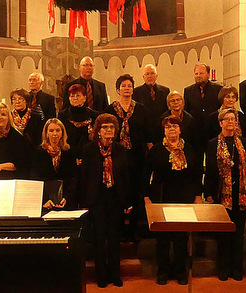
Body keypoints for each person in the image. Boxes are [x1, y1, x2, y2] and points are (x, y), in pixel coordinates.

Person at [144, 115, 203, 286]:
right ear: (164, 130)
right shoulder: (155, 150)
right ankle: (162, 271)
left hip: (184, 198)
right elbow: (145, 175)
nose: (172, 130)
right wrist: (147, 197)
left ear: (180, 129)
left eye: (175, 127)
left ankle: (180, 271)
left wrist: (198, 196)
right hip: (161, 198)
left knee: (180, 238)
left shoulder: (190, 149)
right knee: (162, 239)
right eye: (168, 127)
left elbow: (197, 175)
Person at [80, 113, 132, 288]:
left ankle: (115, 274)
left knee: (114, 237)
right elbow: (84, 176)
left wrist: (127, 201)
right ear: (98, 131)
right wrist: (85, 201)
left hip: (115, 197)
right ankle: (101, 275)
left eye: (111, 127)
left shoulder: (120, 149)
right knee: (99, 237)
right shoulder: (89, 149)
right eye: (105, 127)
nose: (108, 130)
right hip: (97, 198)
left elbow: (125, 176)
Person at [205, 108, 246, 281]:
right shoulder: (212, 144)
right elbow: (210, 170)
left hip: (241, 194)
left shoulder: (245, 143)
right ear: (221, 123)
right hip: (221, 195)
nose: (231, 122)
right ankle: (223, 269)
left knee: (238, 234)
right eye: (227, 119)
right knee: (224, 234)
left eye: (233, 119)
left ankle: (237, 269)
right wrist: (209, 193)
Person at [105, 74, 150, 242]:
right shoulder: (110, 110)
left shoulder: (141, 109)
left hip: (137, 157)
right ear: (117, 89)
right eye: (123, 86)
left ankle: (134, 229)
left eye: (129, 86)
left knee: (135, 191)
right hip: (116, 156)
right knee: (119, 191)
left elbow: (147, 135)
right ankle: (119, 229)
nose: (127, 88)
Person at [31, 118, 77, 210]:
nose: (55, 134)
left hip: (65, 201)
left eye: (58, 130)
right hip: (45, 202)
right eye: (51, 131)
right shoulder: (38, 152)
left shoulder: (68, 151)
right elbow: (35, 177)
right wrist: (45, 199)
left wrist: (67, 198)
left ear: (62, 133)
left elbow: (74, 177)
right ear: (46, 133)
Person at [58, 84, 99, 161]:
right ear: (69, 98)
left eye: (78, 96)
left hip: (90, 156)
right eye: (72, 96)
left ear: (84, 98)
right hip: (68, 155)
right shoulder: (62, 115)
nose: (75, 98)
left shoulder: (94, 115)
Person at [183, 63, 223, 143]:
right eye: (196, 73)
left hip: (213, 130)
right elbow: (186, 111)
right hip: (195, 132)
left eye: (201, 73)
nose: (198, 76)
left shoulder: (218, 89)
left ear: (208, 74)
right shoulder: (188, 91)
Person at [133, 64, 170, 144]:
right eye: (147, 74)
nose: (149, 76)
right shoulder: (136, 92)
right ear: (143, 77)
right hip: (144, 132)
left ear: (156, 76)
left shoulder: (165, 91)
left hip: (161, 132)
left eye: (152, 73)